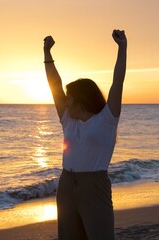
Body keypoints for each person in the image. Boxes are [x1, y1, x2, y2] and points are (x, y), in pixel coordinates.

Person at [43, 29, 127, 240]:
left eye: (70, 98)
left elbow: (117, 83)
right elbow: (54, 86)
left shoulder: (106, 120)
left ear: (81, 99)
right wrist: (47, 53)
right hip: (66, 185)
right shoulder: (68, 120)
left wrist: (122, 48)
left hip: (94, 187)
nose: (66, 101)